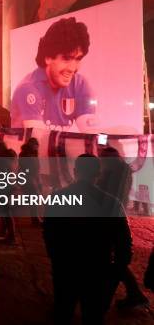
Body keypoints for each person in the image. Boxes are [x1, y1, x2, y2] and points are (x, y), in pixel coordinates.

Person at [43, 154, 132, 325]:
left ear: (75, 171)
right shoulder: (112, 203)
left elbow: (49, 234)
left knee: (63, 311)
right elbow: (124, 243)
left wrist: (56, 260)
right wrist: (116, 271)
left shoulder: (58, 198)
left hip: (66, 268)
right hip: (98, 269)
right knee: (93, 316)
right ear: (99, 174)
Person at [11, 17, 97, 132]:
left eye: (78, 59)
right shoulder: (28, 89)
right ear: (48, 58)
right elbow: (39, 143)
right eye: (66, 58)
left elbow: (91, 134)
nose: (72, 68)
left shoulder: (80, 84)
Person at [97, 147, 148, 310]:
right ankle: (135, 295)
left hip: (111, 219)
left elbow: (111, 196)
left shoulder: (115, 171)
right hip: (114, 218)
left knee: (115, 261)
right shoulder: (118, 169)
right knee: (118, 261)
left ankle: (129, 296)